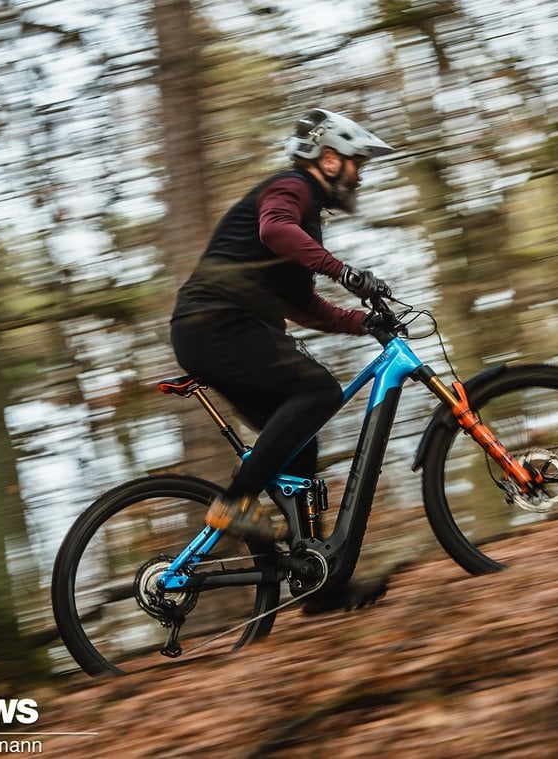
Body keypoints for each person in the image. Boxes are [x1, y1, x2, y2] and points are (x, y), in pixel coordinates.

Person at [169, 108, 394, 612]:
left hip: (221, 331)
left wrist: (363, 322)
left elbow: (302, 307)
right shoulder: (292, 190)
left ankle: (319, 587)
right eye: (357, 162)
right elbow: (274, 229)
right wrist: (346, 273)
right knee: (317, 391)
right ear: (329, 159)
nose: (361, 173)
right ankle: (234, 506)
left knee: (300, 450)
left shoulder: (306, 218)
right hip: (216, 323)